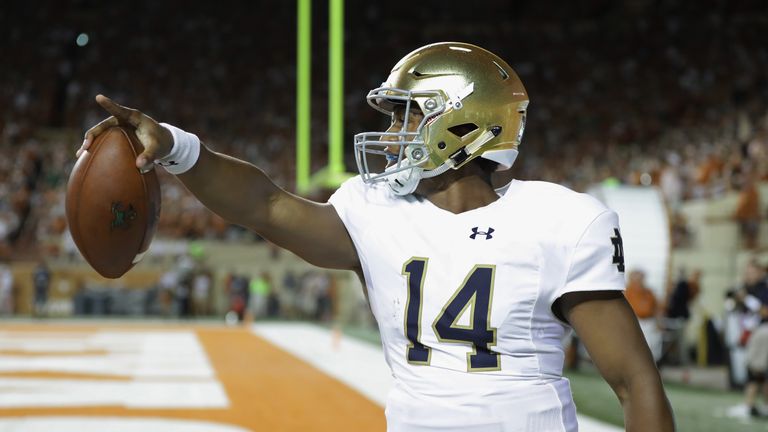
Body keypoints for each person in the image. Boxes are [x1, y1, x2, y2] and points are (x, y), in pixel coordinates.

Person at [80, 42, 674, 431]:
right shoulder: (376, 210)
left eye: (405, 115)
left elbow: (634, 380)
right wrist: (181, 148)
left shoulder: (558, 218)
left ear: (460, 122)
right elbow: (265, 205)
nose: (390, 133)